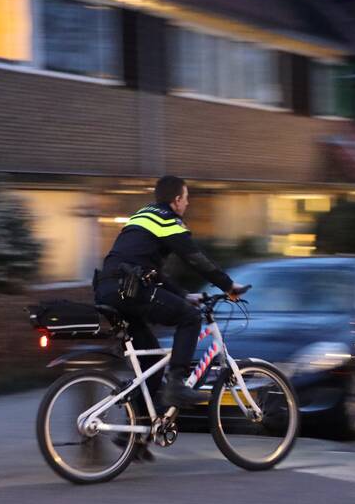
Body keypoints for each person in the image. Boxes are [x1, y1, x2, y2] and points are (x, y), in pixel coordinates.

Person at [94, 175, 245, 410]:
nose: (187, 203)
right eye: (186, 198)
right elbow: (194, 258)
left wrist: (184, 295)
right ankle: (177, 385)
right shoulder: (167, 219)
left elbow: (151, 272)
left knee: (152, 362)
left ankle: (139, 428)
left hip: (109, 289)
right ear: (176, 200)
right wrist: (228, 286)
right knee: (190, 317)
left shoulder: (142, 216)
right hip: (130, 290)